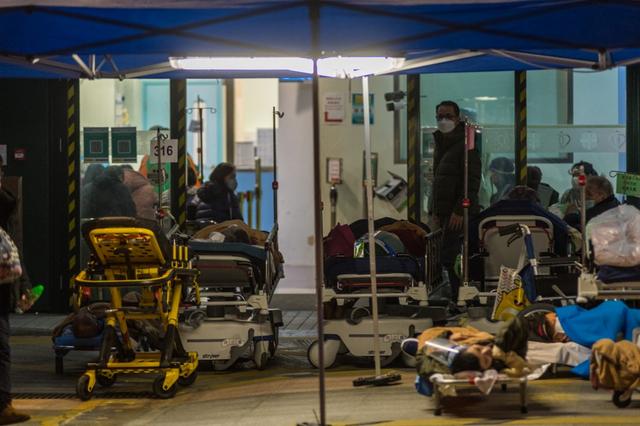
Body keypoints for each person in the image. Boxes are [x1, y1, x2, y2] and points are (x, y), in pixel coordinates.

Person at [430, 101, 482, 302]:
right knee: (447, 256)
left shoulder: (466, 145)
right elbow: (440, 180)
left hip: (459, 213)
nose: (444, 120)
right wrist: (435, 210)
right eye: (440, 116)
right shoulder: (443, 143)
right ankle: (456, 297)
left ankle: (461, 298)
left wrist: (460, 209)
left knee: (453, 257)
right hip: (444, 212)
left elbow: (472, 180)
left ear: (458, 118)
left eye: (448, 116)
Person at [0, 156, 31, 424]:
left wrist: (24, 285)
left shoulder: (7, 203)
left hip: (2, 290)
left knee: (2, 349)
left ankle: (3, 405)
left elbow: (13, 250)